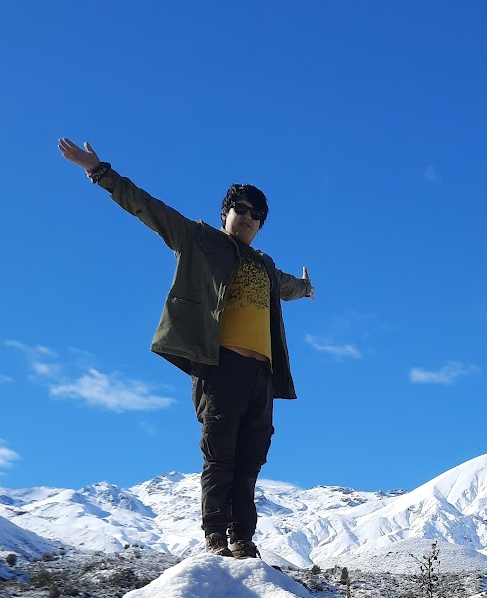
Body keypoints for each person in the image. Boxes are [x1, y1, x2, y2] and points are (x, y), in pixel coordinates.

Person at [58, 138, 314, 559]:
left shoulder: (264, 264)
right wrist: (99, 171)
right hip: (222, 365)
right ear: (225, 213)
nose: (248, 218)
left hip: (262, 377)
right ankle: (215, 536)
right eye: (241, 209)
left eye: (257, 215)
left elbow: (287, 286)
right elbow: (149, 208)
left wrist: (305, 287)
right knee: (220, 454)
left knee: (251, 461)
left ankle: (243, 539)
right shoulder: (199, 239)